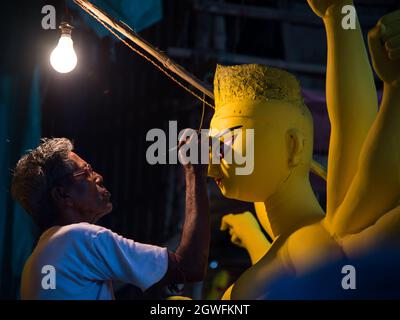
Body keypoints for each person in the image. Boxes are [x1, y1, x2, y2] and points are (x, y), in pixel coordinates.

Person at [209, 1, 400, 299]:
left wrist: (339, 16)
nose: (211, 165)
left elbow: (353, 125)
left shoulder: (337, 233)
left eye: (230, 141)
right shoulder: (304, 245)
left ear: (293, 146)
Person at [11, 136, 210, 299]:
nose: (98, 177)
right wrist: (194, 171)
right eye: (86, 171)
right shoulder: (79, 238)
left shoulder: (34, 264)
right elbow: (189, 266)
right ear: (63, 195)